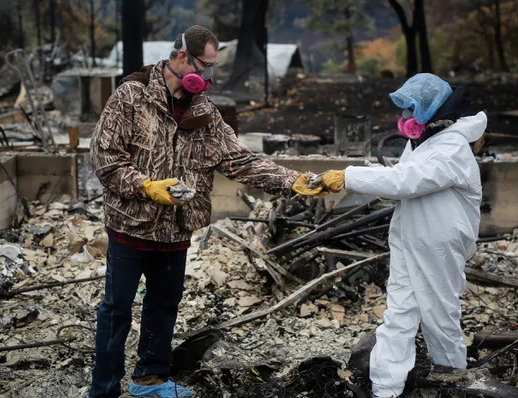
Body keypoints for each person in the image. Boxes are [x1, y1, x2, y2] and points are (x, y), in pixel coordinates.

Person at [87, 25, 322, 398]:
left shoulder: (204, 112)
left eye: (213, 67)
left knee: (164, 304)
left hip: (176, 228)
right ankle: (104, 390)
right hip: (131, 225)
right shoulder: (131, 96)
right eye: (205, 65)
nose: (209, 75)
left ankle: (150, 380)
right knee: (116, 310)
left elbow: (239, 161)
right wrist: (145, 186)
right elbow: (104, 158)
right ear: (182, 57)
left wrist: (291, 180)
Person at [313, 73, 487, 398]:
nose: (404, 118)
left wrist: (348, 176)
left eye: (410, 109)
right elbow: (398, 183)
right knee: (398, 317)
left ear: (431, 111)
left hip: (438, 248)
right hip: (410, 241)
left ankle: (453, 383)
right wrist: (356, 177)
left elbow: (405, 181)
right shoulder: (423, 142)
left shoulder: (451, 149)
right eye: (403, 109)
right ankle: (385, 390)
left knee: (440, 320)